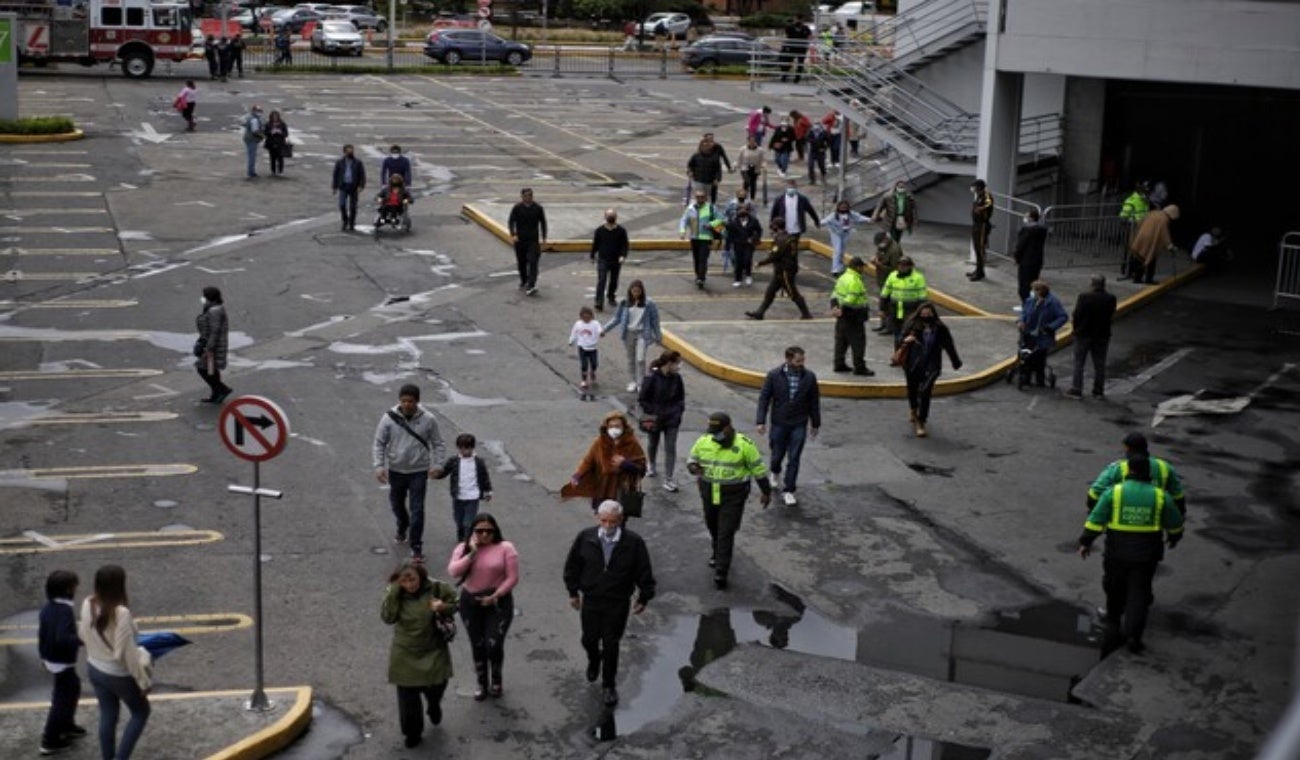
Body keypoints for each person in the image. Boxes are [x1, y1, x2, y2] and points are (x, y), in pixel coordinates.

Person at [1077, 455, 1184, 655]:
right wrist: (1174, 538)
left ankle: (1113, 621)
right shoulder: (1160, 496)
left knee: (1113, 587)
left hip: (1117, 552)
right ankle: (1134, 636)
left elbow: (1095, 519)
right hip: (1146, 555)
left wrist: (1085, 542)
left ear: (1128, 471)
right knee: (1139, 594)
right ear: (1148, 474)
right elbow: (1175, 522)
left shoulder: (1114, 493)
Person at [564, 500, 656, 707]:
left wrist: (644, 597)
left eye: (612, 522)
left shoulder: (633, 542)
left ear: (621, 520)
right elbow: (572, 566)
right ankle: (594, 659)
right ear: (597, 518)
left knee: (611, 644)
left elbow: (644, 571)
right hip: (592, 599)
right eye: (604, 521)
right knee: (589, 639)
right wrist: (573, 592)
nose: (607, 526)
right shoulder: (586, 537)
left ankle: (608, 684)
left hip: (617, 601)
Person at [687, 412, 773, 588]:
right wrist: (693, 467)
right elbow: (692, 459)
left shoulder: (744, 445)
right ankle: (716, 552)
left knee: (726, 531)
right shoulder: (704, 441)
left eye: (718, 430)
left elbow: (758, 470)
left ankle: (721, 570)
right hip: (709, 493)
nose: (714, 434)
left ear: (727, 427)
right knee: (713, 526)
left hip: (733, 496)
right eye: (712, 430)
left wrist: (766, 492)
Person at [380, 560, 457, 748]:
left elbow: (456, 603)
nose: (409, 585)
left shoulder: (437, 588)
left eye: (412, 580)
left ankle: (433, 705)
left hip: (433, 648)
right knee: (407, 697)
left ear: (420, 576)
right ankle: (412, 733)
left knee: (438, 685)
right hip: (405, 651)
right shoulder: (395, 593)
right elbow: (388, 618)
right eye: (404, 582)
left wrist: (443, 607)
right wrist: (394, 591)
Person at [78, 565, 150, 760]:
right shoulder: (121, 613)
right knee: (141, 712)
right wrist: (143, 682)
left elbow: (83, 633)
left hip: (94, 668)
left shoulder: (88, 603)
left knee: (108, 714)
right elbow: (125, 654)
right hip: (118, 674)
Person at [447, 514, 518, 700]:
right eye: (480, 531)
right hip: (470, 602)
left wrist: (496, 595)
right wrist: (472, 553)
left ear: (495, 531)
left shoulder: (506, 548)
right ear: (473, 532)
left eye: (489, 531)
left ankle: (496, 679)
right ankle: (481, 682)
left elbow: (512, 577)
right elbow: (453, 572)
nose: (485, 534)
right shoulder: (463, 549)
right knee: (477, 645)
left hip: (497, 603)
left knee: (493, 643)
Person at [373, 384, 446, 562]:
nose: (406, 404)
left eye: (410, 401)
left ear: (417, 402)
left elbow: (438, 443)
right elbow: (379, 442)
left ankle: (416, 546)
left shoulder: (429, 419)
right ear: (399, 400)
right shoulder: (388, 418)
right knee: (397, 504)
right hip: (397, 470)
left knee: (418, 509)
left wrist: (437, 464)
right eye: (403, 401)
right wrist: (379, 466)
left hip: (418, 471)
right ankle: (402, 524)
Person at [755, 347, 821, 504]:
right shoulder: (774, 375)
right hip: (779, 422)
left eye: (803, 360)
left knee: (794, 457)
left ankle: (789, 489)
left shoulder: (809, 377)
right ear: (788, 359)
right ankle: (775, 470)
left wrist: (815, 423)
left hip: (799, 423)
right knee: (777, 454)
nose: (801, 364)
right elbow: (764, 399)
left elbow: (814, 401)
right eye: (798, 361)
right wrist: (761, 421)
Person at [561, 410, 648, 512]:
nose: (614, 429)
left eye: (617, 426)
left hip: (622, 489)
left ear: (624, 427)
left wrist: (625, 464)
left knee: (619, 518)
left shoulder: (632, 443)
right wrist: (578, 474)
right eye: (610, 426)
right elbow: (588, 460)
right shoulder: (600, 442)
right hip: (603, 488)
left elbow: (641, 467)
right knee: (602, 515)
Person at [898, 302, 962, 438]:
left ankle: (921, 421)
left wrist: (955, 361)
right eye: (923, 313)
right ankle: (913, 408)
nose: (926, 316)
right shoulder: (912, 326)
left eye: (928, 313)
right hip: (913, 363)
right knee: (912, 389)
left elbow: (949, 345)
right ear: (919, 313)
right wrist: (905, 340)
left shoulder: (940, 328)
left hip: (932, 364)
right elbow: (899, 340)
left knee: (926, 391)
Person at [1087, 432, 1187, 518]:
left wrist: (1095, 512)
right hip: (1154, 519)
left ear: (1128, 448)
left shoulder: (1118, 468)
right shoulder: (1164, 467)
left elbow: (1095, 493)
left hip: (1122, 519)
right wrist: (1179, 517)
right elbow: (1178, 496)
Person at [39, 569, 85, 756]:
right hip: (62, 660)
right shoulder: (64, 610)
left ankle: (67, 725)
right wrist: (82, 639)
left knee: (73, 689)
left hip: (51, 658)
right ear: (67, 589)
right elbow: (63, 638)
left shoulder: (49, 607)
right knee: (61, 700)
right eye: (74, 586)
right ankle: (50, 740)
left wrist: (43, 656)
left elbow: (43, 634)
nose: (76, 589)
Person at [746, 217, 814, 320]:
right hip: (781, 271)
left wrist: (760, 263)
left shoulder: (781, 240)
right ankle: (760, 313)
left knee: (793, 293)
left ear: (776, 227)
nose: (771, 228)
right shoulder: (788, 237)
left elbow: (774, 256)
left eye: (773, 226)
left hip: (785, 271)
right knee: (770, 292)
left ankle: (806, 314)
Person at [637, 349, 686, 492]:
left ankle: (669, 478)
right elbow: (642, 399)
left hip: (672, 419)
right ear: (669, 363)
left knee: (671, 447)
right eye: (677, 363)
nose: (679, 366)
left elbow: (680, 398)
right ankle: (651, 465)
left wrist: (678, 412)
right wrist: (654, 412)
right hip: (655, 418)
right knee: (653, 443)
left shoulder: (677, 378)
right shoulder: (651, 377)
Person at [432, 433, 493, 541]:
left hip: (472, 496)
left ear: (472, 448)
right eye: (461, 448)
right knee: (458, 519)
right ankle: (461, 535)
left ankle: (467, 540)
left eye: (467, 448)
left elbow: (484, 477)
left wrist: (488, 491)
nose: (464, 451)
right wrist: (436, 475)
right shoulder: (454, 461)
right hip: (458, 495)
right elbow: (445, 472)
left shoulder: (479, 462)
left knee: (468, 522)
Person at [603, 280, 661, 393]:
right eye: (633, 291)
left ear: (642, 291)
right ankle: (632, 381)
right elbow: (617, 318)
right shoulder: (625, 303)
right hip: (628, 333)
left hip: (642, 334)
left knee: (640, 359)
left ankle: (641, 383)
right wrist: (605, 329)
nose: (635, 294)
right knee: (631, 359)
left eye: (638, 291)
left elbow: (655, 321)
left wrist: (658, 336)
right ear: (630, 291)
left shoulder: (649, 304)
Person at [1065, 275, 1117, 400]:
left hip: (1084, 333)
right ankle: (1098, 390)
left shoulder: (1084, 297)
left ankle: (1077, 388)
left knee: (1079, 362)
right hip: (1102, 335)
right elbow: (1111, 314)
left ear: (1092, 284)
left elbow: (1077, 314)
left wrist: (1076, 329)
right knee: (1099, 364)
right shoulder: (1111, 298)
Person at [1016, 280, 1068, 388]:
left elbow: (1063, 317)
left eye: (1034, 290)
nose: (1032, 292)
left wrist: (1050, 327)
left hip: (1043, 335)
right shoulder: (1030, 301)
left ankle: (1040, 380)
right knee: (1027, 355)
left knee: (1039, 358)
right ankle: (1026, 378)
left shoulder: (1052, 303)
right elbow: (1024, 313)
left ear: (1039, 291)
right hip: (1028, 333)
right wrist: (1020, 321)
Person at [830, 257, 874, 376]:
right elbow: (851, 299)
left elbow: (835, 293)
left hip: (842, 317)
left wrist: (835, 307)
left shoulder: (842, 277)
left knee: (841, 341)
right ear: (858, 267)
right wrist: (842, 309)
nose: (863, 269)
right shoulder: (855, 280)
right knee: (858, 342)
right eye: (862, 267)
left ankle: (839, 364)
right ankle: (859, 367)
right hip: (853, 316)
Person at [194, 285, 231, 404]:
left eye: (204, 296)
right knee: (212, 370)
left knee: (202, 368)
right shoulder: (213, 308)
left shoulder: (214, 311)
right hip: (213, 345)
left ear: (210, 298)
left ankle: (222, 389)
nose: (202, 298)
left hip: (213, 347)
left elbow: (214, 331)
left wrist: (208, 349)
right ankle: (216, 394)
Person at [1125, 204, 1180, 285]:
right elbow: (1164, 234)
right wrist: (1170, 246)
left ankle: (1137, 277)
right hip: (1150, 240)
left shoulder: (1153, 212)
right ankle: (1148, 279)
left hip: (1141, 235)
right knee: (1151, 258)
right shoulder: (1164, 219)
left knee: (1139, 257)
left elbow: (1141, 221)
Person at [679, 190, 723, 289]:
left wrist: (711, 224)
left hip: (706, 238)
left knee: (703, 259)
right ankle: (698, 275)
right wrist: (682, 231)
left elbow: (721, 219)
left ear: (705, 198)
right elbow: (683, 220)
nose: (700, 199)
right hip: (694, 238)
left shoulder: (711, 208)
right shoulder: (690, 208)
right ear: (695, 198)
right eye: (698, 197)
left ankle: (701, 278)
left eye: (702, 197)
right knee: (696, 259)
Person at [880, 256, 928, 346]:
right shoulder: (892, 275)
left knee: (908, 335)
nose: (902, 267)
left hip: (911, 311)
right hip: (895, 310)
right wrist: (882, 309)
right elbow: (885, 293)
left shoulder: (918, 277)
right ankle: (898, 357)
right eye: (900, 265)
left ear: (910, 266)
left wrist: (922, 311)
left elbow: (922, 297)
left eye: (905, 265)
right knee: (897, 336)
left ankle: (908, 357)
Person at [508, 188, 548, 295]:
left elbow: (543, 223)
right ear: (522, 197)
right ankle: (524, 280)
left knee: (533, 261)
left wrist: (544, 238)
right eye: (526, 196)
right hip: (520, 240)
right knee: (522, 262)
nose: (528, 198)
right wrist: (513, 234)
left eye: (530, 195)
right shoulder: (517, 208)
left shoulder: (538, 208)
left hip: (533, 240)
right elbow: (511, 221)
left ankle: (531, 284)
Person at [591, 208, 629, 311]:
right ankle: (599, 302)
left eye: (612, 215)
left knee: (614, 280)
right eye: (609, 215)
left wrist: (623, 256)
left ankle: (611, 296)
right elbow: (595, 244)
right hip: (603, 259)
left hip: (616, 260)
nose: (610, 218)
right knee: (601, 280)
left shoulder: (621, 231)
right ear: (605, 217)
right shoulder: (599, 230)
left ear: (616, 217)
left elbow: (624, 245)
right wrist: (592, 255)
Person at [769, 178, 820, 246]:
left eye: (793, 187)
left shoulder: (802, 199)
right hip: (783, 229)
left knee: (793, 248)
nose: (791, 188)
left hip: (796, 229)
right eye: (789, 187)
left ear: (796, 187)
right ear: (786, 187)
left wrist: (816, 221)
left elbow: (810, 210)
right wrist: (772, 226)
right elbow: (774, 213)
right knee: (782, 247)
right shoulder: (779, 199)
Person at [825, 199, 870, 276]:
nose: (843, 209)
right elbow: (825, 221)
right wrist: (817, 223)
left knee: (842, 251)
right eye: (842, 207)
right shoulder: (833, 216)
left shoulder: (851, 214)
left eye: (845, 207)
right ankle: (835, 269)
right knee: (837, 250)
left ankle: (840, 267)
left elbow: (859, 217)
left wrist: (870, 219)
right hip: (836, 233)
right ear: (838, 207)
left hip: (845, 233)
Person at [1013, 208, 1048, 304]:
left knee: (1024, 286)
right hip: (1037, 261)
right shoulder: (1042, 230)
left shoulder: (1026, 230)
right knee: (1034, 284)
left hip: (1026, 261)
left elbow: (1021, 246)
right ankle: (1033, 303)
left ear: (1031, 218)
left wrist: (1016, 257)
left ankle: (1026, 305)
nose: (1025, 218)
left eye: (1027, 216)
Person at [871, 231, 903, 334]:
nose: (879, 246)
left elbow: (894, 270)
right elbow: (879, 254)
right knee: (883, 304)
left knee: (889, 305)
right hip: (882, 280)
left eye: (880, 243)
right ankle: (883, 325)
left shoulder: (894, 250)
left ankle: (889, 327)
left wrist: (878, 264)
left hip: (890, 281)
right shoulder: (883, 247)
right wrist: (876, 259)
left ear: (885, 239)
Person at [725, 200, 763, 288]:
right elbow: (729, 234)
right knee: (738, 262)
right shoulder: (733, 222)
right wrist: (727, 246)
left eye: (745, 209)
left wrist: (755, 238)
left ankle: (748, 275)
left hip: (749, 244)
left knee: (747, 260)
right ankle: (738, 279)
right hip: (738, 244)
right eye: (740, 209)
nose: (743, 211)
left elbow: (759, 230)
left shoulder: (753, 221)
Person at [568, 306, 603, 394]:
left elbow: (599, 329)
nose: (586, 319)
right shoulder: (578, 324)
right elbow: (574, 332)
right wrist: (571, 340)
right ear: (581, 316)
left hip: (593, 347)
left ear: (591, 316)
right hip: (582, 347)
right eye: (584, 317)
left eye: (588, 317)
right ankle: (584, 380)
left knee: (594, 363)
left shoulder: (595, 323)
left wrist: (601, 333)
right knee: (584, 365)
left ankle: (593, 372)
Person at [332, 143, 366, 231]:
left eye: (351, 151)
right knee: (342, 205)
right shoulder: (340, 162)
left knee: (353, 207)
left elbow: (362, 175)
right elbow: (335, 175)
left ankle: (351, 222)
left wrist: (361, 186)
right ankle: (345, 220)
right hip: (343, 186)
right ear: (344, 152)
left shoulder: (358, 162)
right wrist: (334, 187)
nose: (350, 153)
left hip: (354, 187)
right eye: (348, 151)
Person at [720, 187, 753, 275]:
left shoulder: (749, 204)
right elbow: (725, 215)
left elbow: (753, 216)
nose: (742, 197)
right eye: (740, 196)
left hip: (745, 230)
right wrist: (726, 223)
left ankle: (743, 266)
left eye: (744, 196)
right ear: (737, 195)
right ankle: (736, 265)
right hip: (732, 230)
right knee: (732, 251)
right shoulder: (731, 204)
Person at [968, 179, 994, 281]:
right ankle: (977, 270)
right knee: (976, 248)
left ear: (979, 187)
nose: (972, 188)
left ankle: (980, 273)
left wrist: (981, 208)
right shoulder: (978, 195)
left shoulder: (986, 195)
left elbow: (988, 203)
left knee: (980, 249)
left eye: (974, 186)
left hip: (982, 226)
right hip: (976, 225)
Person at [686, 137, 724, 206]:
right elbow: (690, 165)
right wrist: (689, 172)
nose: (706, 146)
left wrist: (717, 178)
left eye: (708, 145)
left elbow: (718, 169)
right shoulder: (696, 156)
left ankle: (706, 211)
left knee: (707, 197)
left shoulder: (714, 157)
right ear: (701, 146)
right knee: (699, 196)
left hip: (709, 181)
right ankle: (697, 210)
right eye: (704, 145)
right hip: (698, 180)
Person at [779, 16, 811, 83]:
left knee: (800, 64)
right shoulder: (790, 27)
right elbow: (787, 35)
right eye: (797, 19)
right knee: (788, 62)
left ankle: (797, 78)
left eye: (800, 19)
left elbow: (809, 36)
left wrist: (806, 44)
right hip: (792, 47)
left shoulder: (805, 28)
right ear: (795, 20)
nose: (798, 21)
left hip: (801, 48)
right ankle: (784, 77)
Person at [736, 134, 765, 202]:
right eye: (750, 141)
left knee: (753, 183)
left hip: (754, 168)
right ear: (748, 141)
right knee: (747, 181)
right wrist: (737, 166)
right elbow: (739, 159)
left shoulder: (760, 150)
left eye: (753, 141)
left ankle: (752, 198)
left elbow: (761, 160)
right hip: (745, 168)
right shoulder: (743, 149)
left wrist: (760, 168)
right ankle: (743, 197)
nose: (752, 142)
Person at [240, 104, 264, 179]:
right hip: (252, 139)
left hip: (248, 138)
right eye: (258, 111)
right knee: (252, 157)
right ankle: (251, 172)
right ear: (254, 111)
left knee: (251, 156)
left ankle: (251, 171)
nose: (259, 112)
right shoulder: (254, 119)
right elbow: (255, 131)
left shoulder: (250, 117)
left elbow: (244, 123)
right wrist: (263, 136)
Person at [263, 110, 289, 176]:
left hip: (280, 143)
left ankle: (280, 171)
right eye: (273, 117)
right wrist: (271, 132)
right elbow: (265, 133)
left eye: (276, 117)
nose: (275, 118)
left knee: (280, 158)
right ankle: (273, 171)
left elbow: (286, 134)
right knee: (272, 158)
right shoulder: (268, 124)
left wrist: (281, 132)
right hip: (271, 143)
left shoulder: (282, 124)